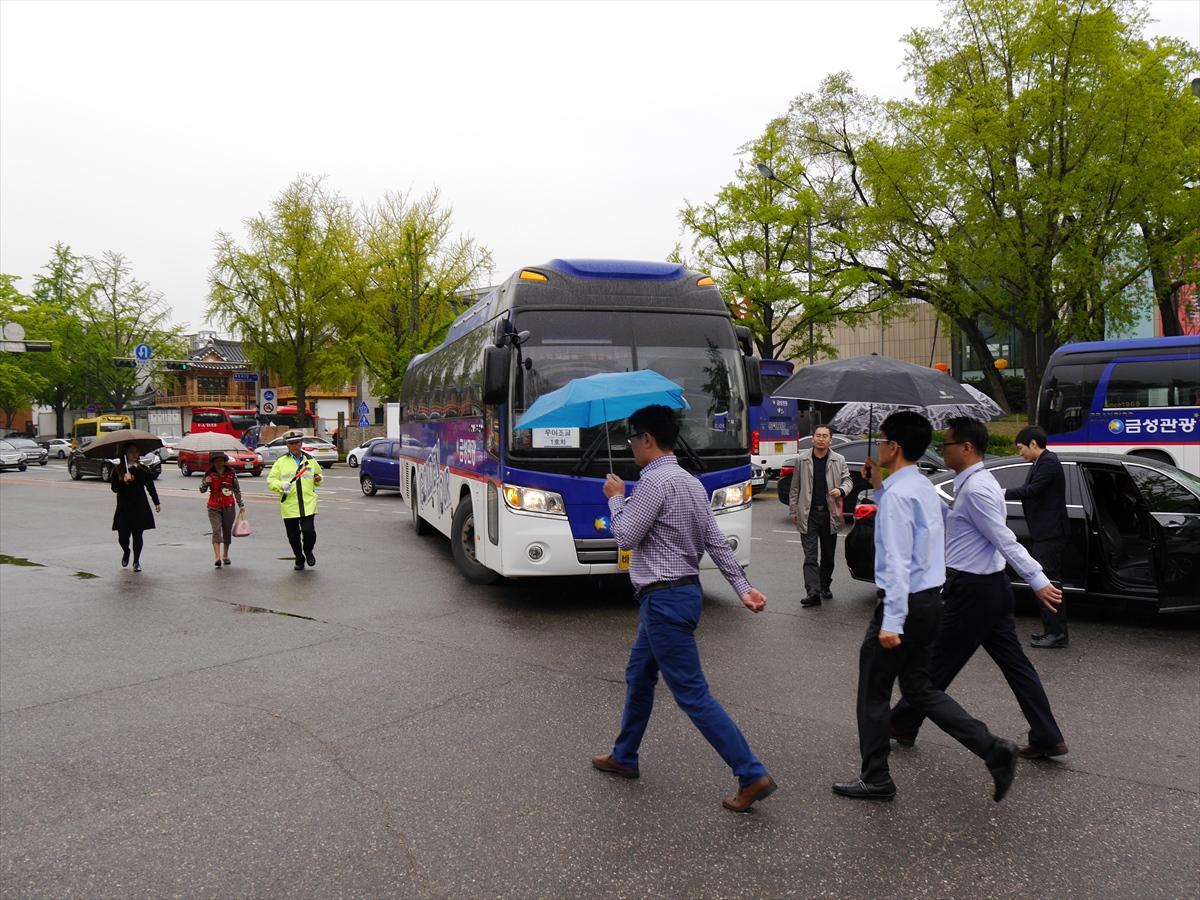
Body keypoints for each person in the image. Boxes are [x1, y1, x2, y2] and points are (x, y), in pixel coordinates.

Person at [591, 405, 776, 813]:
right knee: (639, 675)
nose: (631, 446)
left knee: (692, 694)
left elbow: (625, 537)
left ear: (647, 439)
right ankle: (624, 755)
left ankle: (750, 773)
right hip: (680, 594)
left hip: (664, 600)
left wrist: (616, 499)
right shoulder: (690, 482)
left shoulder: (653, 482)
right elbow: (715, 540)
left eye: (632, 439)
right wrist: (743, 588)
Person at [833, 411, 1018, 803]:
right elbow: (916, 535)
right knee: (920, 688)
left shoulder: (901, 496)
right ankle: (992, 748)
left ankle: (876, 777)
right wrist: (878, 485)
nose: (880, 447)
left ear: (894, 447)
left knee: (873, 693)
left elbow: (898, 562)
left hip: (903, 606)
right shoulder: (921, 487)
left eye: (883, 440)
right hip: (932, 601)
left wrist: (891, 621)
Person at [890, 417, 1069, 761]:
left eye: (947, 444)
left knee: (935, 663)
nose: (942, 450)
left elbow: (1004, 538)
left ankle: (902, 722)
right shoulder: (973, 484)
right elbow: (963, 525)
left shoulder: (976, 489)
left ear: (967, 447)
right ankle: (1047, 736)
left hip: (973, 591)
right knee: (1014, 666)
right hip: (988, 588)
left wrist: (1038, 580)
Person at [1006, 426, 1070, 649]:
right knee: (1047, 581)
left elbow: (1031, 491)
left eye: (1021, 448)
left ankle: (1057, 634)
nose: (1020, 453)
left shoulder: (1048, 463)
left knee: (1047, 582)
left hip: (1050, 533)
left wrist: (999, 493)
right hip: (1045, 532)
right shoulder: (1040, 462)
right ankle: (1052, 631)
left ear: (1033, 443)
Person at [789, 425, 853, 606]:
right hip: (808, 514)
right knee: (810, 556)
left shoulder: (838, 460)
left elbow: (848, 480)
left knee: (828, 556)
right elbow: (795, 488)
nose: (821, 439)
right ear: (813, 438)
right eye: (818, 435)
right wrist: (793, 510)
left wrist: (841, 490)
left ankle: (824, 585)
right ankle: (813, 592)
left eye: (825, 436)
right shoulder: (802, 460)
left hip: (829, 514)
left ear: (830, 440)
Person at [267, 431, 323, 571]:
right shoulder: (281, 462)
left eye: (297, 442)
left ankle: (308, 551)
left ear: (301, 443)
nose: (294, 446)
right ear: (287, 445)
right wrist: (281, 485)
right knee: (293, 537)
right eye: (291, 443)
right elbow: (271, 480)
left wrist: (318, 479)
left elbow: (318, 475)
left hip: (307, 503)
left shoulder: (310, 459)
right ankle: (299, 558)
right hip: (289, 504)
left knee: (309, 532)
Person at [110, 443, 160, 573]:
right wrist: (123, 480)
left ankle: (136, 561)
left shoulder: (143, 469)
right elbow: (114, 488)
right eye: (131, 451)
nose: (134, 454)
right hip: (124, 507)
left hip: (140, 506)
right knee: (123, 536)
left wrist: (156, 502)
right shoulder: (118, 470)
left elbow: (150, 487)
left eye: (136, 451)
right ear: (125, 454)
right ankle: (126, 551)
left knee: (138, 534)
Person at [199, 451, 245, 568]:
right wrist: (206, 483)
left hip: (229, 506)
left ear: (224, 461)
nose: (219, 463)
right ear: (213, 462)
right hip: (213, 506)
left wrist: (241, 505)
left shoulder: (231, 473)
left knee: (227, 531)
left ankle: (225, 555)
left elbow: (237, 490)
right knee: (216, 530)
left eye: (221, 461)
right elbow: (202, 490)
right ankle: (217, 557)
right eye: (216, 461)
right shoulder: (209, 473)